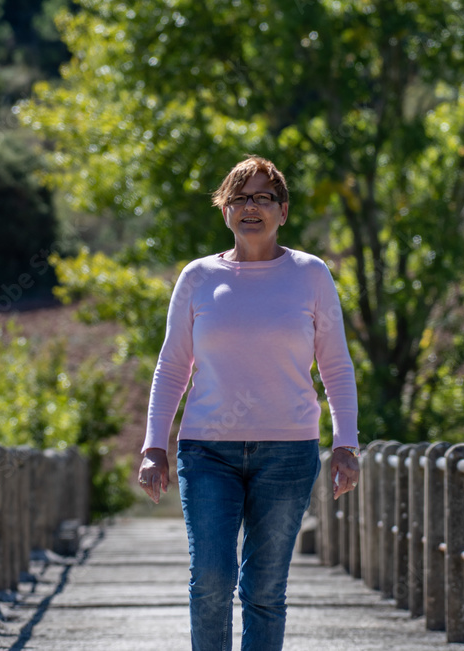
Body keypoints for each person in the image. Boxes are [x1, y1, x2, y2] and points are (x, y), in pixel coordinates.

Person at [137, 155, 361, 651]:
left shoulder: (311, 275)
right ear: (225, 212)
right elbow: (173, 366)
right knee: (211, 582)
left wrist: (346, 443)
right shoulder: (197, 278)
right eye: (239, 198)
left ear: (283, 210)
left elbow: (336, 366)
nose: (250, 207)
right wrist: (155, 446)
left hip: (288, 453)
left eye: (263, 197)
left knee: (263, 590)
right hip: (207, 451)